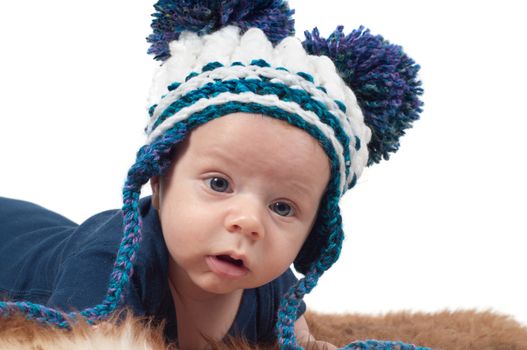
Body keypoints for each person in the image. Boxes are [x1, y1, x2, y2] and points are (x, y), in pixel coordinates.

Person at [0, 1, 425, 349]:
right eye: (219, 184)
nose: (249, 222)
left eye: (282, 207)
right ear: (159, 178)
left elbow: (303, 342)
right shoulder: (111, 264)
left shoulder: (273, 286)